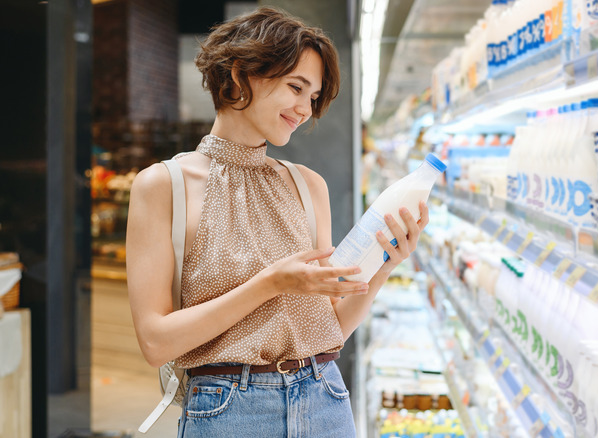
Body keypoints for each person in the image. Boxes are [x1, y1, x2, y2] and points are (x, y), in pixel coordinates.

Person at [125, 7, 428, 437]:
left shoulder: (308, 187)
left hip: (326, 398)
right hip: (229, 409)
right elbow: (155, 342)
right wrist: (271, 283)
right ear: (239, 74)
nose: (305, 108)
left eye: (314, 97)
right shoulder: (162, 185)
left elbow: (331, 328)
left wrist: (386, 265)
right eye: (296, 87)